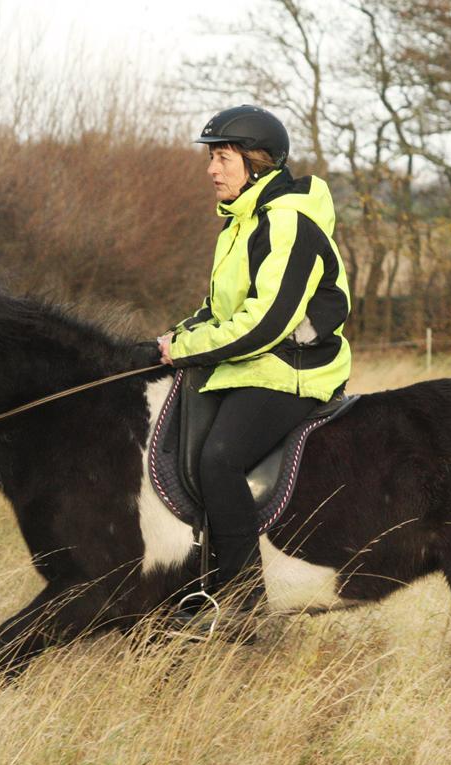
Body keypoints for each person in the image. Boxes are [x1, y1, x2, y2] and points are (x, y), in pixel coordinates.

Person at [158, 105, 352, 612]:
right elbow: (219, 309)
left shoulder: (287, 221)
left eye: (222, 158)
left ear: (258, 162)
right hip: (252, 365)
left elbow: (267, 322)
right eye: (211, 158)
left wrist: (186, 350)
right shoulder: (241, 223)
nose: (211, 170)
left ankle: (243, 601)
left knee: (219, 459)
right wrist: (171, 339)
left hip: (292, 369)